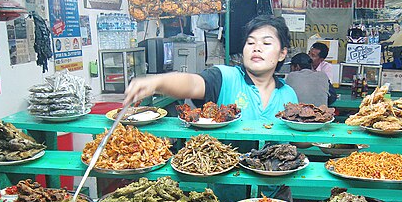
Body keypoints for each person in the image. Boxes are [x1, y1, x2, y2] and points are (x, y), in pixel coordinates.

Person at [124, 15, 297, 122]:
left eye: (266, 43)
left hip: (275, 180)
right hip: (228, 179)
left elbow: (299, 138)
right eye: (250, 42)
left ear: (282, 53)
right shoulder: (225, 77)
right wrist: (157, 82)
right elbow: (192, 84)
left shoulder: (288, 94)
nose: (256, 47)